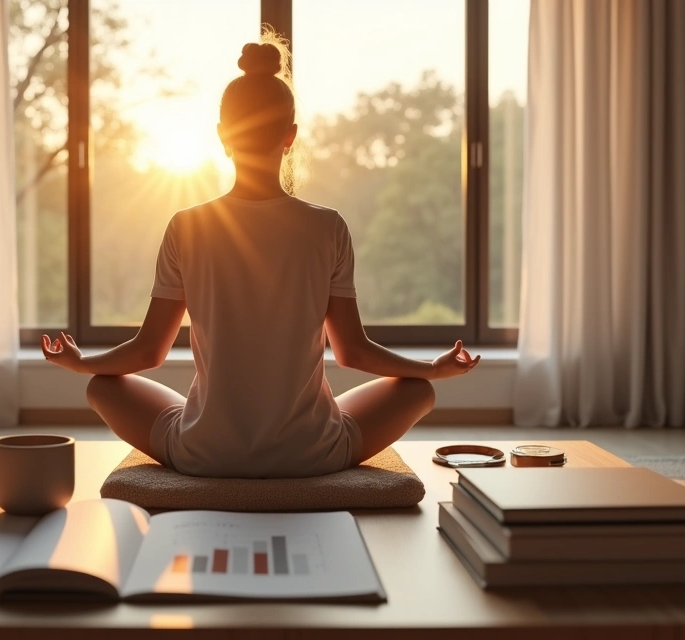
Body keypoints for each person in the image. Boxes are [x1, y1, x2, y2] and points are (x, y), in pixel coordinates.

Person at [43, 33, 480, 478]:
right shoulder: (327, 226)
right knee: (419, 392)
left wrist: (81, 363)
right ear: (290, 136)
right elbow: (353, 352)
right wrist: (432, 369)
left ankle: (199, 431)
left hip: (204, 453)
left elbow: (148, 351)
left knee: (103, 387)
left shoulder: (185, 226)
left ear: (222, 137)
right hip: (312, 454)